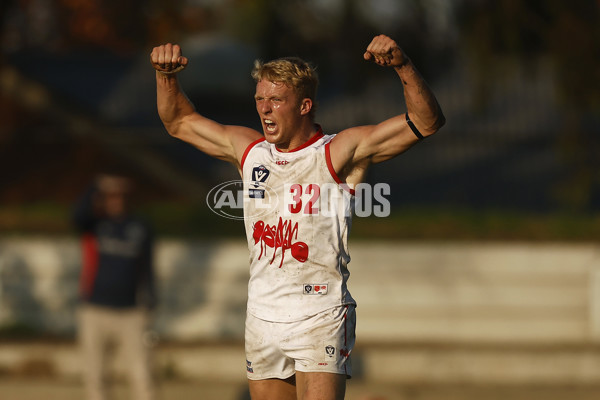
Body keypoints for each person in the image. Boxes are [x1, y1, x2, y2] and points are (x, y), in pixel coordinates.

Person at [150, 34, 445, 400]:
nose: (265, 109)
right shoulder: (250, 151)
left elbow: (426, 121)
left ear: (305, 105)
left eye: (276, 100)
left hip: (320, 311)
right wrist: (166, 76)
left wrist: (403, 66)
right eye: (260, 98)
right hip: (262, 314)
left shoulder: (338, 151)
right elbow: (178, 121)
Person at [72, 174, 156, 400]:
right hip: (94, 309)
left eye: (119, 195)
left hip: (131, 311)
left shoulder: (140, 227)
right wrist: (96, 185)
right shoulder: (94, 224)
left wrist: (150, 300)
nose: (115, 200)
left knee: (141, 374)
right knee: (95, 375)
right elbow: (76, 214)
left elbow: (148, 266)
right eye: (110, 196)